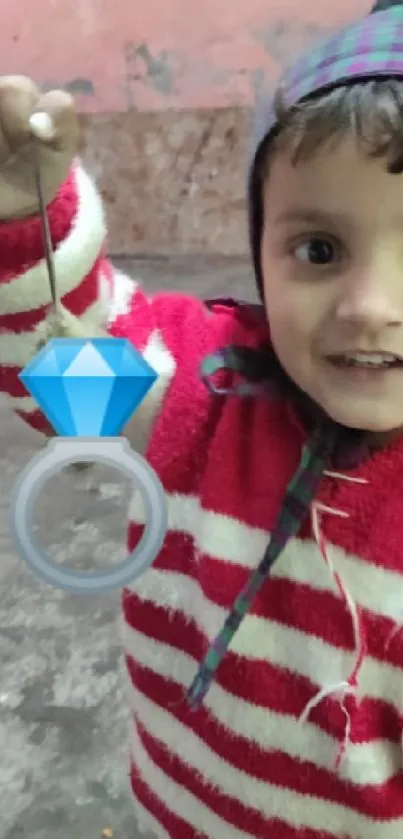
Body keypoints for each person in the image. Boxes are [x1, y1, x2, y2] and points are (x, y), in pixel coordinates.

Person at [1, 0, 403, 835]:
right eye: (319, 250)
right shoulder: (200, 383)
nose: (369, 308)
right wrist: (17, 223)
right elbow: (55, 358)